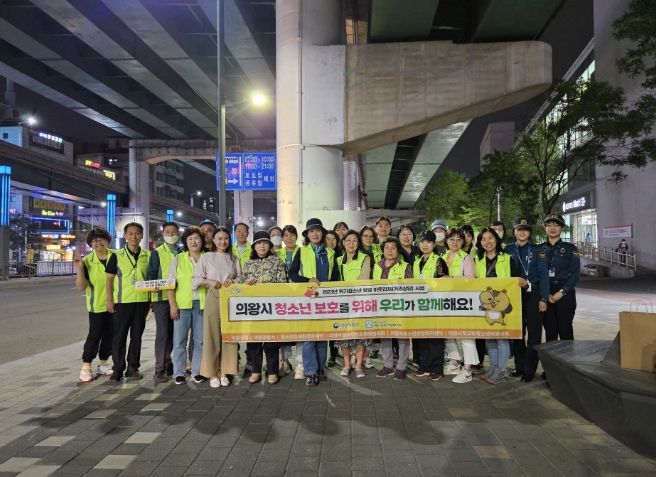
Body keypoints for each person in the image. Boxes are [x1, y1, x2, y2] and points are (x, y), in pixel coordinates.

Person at [289, 218, 339, 386]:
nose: (315, 234)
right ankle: (310, 371)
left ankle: (320, 368)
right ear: (307, 235)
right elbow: (292, 274)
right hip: (307, 299)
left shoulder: (330, 253)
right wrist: (307, 280)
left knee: (323, 336)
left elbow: (335, 277)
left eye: (318, 231)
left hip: (325, 300)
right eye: (311, 231)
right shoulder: (301, 251)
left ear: (322, 233)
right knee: (309, 337)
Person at [240, 231, 288, 384]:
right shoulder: (248, 264)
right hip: (253, 308)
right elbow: (240, 285)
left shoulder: (277, 262)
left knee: (271, 341)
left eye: (265, 243)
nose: (262, 246)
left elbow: (282, 284)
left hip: (271, 308)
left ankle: (272, 371)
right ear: (254, 246)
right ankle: (255, 371)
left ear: (270, 246)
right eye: (259, 243)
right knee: (253, 341)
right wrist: (245, 284)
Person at [475, 228, 521, 384]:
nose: (487, 242)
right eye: (483, 239)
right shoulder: (478, 260)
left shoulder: (508, 258)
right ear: (480, 242)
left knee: (502, 338)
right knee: (490, 338)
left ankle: (501, 371)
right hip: (487, 306)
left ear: (497, 240)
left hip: (503, 306)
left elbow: (515, 282)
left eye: (491, 238)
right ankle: (493, 367)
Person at [105, 222, 151, 382]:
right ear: (125, 236)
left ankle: (133, 368)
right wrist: (109, 300)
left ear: (142, 236)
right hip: (122, 302)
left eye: (137, 233)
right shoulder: (116, 256)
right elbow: (109, 280)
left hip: (142, 302)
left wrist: (151, 301)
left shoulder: (148, 256)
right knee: (119, 336)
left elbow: (150, 278)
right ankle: (117, 369)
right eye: (130, 233)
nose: (134, 237)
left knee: (137, 336)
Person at [196, 227, 241, 388]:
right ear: (214, 240)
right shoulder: (206, 257)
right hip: (213, 295)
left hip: (230, 297)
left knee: (229, 333)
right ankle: (212, 373)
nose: (223, 242)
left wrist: (233, 281)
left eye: (226, 238)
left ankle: (225, 371)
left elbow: (240, 277)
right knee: (212, 333)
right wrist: (210, 281)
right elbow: (196, 279)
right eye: (219, 238)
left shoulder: (234, 258)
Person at [75, 228, 114, 382]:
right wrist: (79, 268)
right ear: (90, 244)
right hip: (97, 305)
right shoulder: (87, 261)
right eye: (94, 241)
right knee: (95, 334)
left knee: (110, 335)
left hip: (116, 304)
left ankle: (103, 363)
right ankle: (86, 366)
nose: (98, 242)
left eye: (101, 239)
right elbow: (81, 287)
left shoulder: (116, 257)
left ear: (107, 241)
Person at [167, 227, 206, 385]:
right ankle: (179, 373)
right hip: (182, 305)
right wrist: (172, 305)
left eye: (196, 238)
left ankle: (197, 371)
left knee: (200, 341)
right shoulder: (178, 259)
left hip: (202, 305)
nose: (193, 242)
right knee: (179, 341)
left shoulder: (208, 258)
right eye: (190, 239)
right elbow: (170, 284)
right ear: (185, 242)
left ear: (202, 241)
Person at [334, 229, 374, 378]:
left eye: (355, 240)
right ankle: (346, 365)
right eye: (348, 240)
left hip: (360, 301)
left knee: (360, 334)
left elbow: (364, 279)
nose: (351, 243)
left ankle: (358, 365)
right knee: (344, 334)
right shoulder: (338, 260)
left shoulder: (365, 257)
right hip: (343, 303)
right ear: (343, 243)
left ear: (359, 243)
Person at [374, 237, 413, 380]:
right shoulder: (377, 266)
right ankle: (387, 365)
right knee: (385, 335)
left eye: (393, 248)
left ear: (398, 251)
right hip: (382, 306)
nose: (389, 250)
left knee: (402, 336)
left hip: (400, 306)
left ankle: (401, 367)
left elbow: (410, 288)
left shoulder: (405, 266)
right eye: (386, 248)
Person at [442, 228, 478, 384]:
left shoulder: (466, 257)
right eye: (451, 239)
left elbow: (471, 278)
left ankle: (468, 369)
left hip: (464, 301)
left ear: (463, 242)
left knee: (466, 334)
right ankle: (454, 362)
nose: (455, 242)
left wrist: (450, 277)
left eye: (458, 239)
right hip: (446, 300)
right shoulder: (442, 257)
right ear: (446, 241)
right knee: (448, 332)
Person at [412, 231, 449, 381]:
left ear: (434, 244)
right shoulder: (416, 262)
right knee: (422, 337)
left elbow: (445, 282)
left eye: (428, 242)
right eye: (422, 242)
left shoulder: (439, 261)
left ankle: (436, 368)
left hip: (435, 305)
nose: (425, 245)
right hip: (420, 305)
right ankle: (424, 366)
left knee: (435, 338)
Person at [147, 221, 181, 383]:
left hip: (179, 299)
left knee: (173, 333)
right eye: (168, 232)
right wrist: (152, 286)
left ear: (178, 234)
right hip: (161, 300)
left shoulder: (182, 252)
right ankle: (159, 369)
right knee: (163, 333)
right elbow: (151, 275)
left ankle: (168, 362)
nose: (171, 234)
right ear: (163, 234)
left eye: (174, 232)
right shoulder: (157, 253)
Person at [543, 214, 580, 343]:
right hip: (546, 295)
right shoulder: (539, 249)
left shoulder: (571, 249)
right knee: (550, 333)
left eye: (556, 225)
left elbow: (575, 274)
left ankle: (568, 356)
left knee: (566, 332)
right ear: (545, 228)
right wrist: (545, 293)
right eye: (549, 225)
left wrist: (562, 292)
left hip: (565, 294)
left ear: (562, 228)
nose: (552, 228)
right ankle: (550, 357)